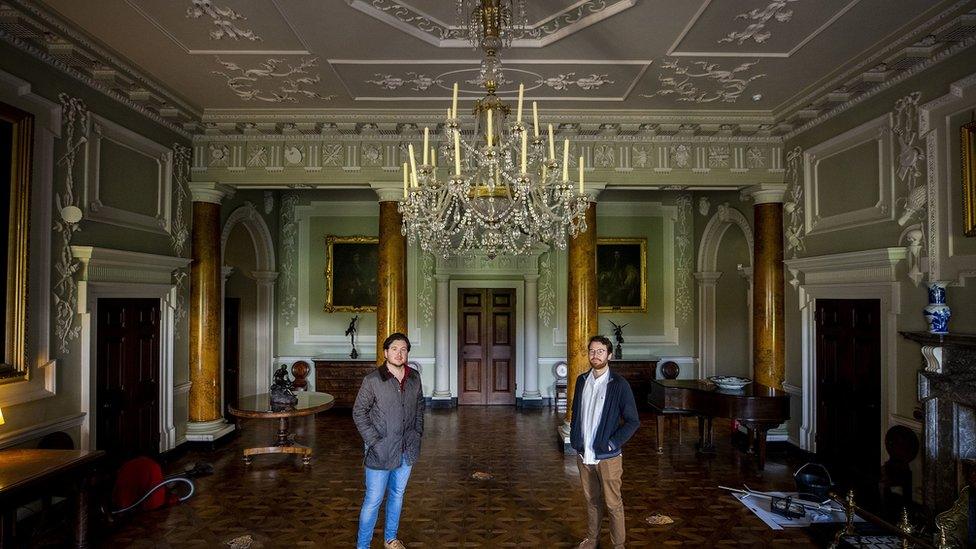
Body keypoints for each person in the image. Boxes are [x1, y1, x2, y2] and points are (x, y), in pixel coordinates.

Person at [352, 333, 425, 549]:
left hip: (407, 448)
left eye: (403, 349)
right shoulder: (373, 380)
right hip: (380, 449)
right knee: (373, 500)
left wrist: (417, 433)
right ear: (385, 353)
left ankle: (390, 539)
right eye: (394, 349)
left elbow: (420, 407)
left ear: (407, 353)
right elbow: (359, 412)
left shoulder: (414, 378)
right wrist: (373, 441)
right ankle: (363, 546)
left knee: (397, 494)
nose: (399, 353)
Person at [570, 335, 641, 549]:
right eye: (592, 351)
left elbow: (632, 421)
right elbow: (576, 414)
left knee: (612, 504)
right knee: (592, 501)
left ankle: (618, 545)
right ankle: (592, 540)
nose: (595, 355)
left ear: (609, 355)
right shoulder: (581, 380)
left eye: (600, 351)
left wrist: (612, 443)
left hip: (608, 457)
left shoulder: (619, 384)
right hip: (585, 455)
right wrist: (575, 438)